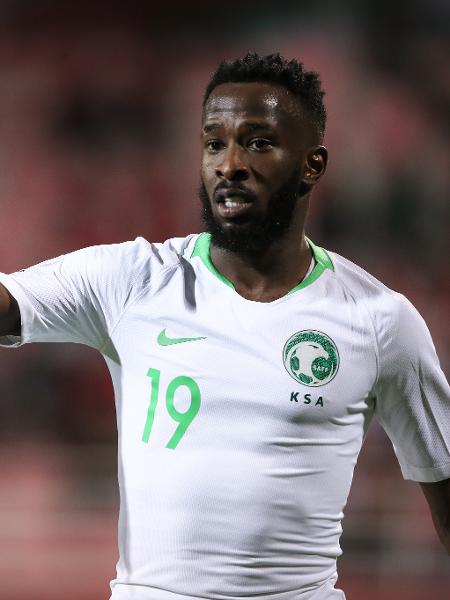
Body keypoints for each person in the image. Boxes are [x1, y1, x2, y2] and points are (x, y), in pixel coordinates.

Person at [0, 52, 448, 600]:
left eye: (258, 142)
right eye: (215, 143)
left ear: (313, 164)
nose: (229, 163)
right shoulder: (133, 281)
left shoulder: (381, 321)